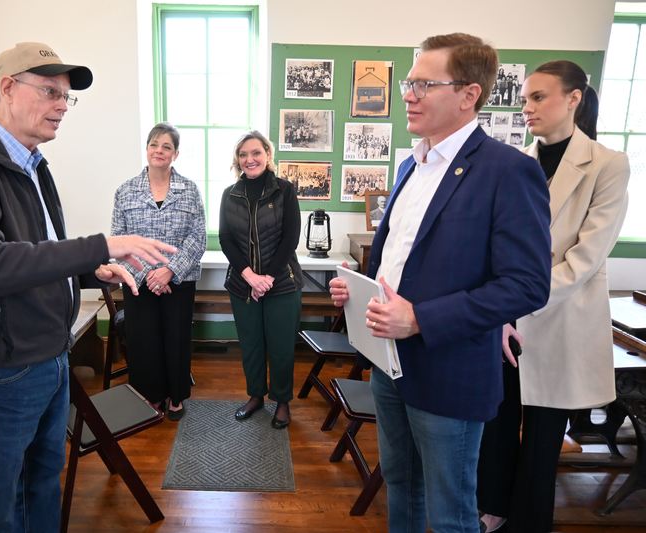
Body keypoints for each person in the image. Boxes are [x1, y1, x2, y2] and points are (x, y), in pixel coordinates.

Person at [0, 42, 176, 532]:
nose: (62, 105)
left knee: (40, 487)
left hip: (47, 361)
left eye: (66, 96)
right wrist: (101, 245)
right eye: (50, 91)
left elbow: (35, 253)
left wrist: (88, 271)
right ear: (8, 89)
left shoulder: (34, 164)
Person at [329, 33, 551, 532]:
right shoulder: (413, 163)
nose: (408, 93)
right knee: (403, 488)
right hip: (388, 364)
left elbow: (527, 285)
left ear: (469, 94)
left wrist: (420, 318)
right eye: (410, 82)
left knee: (451, 511)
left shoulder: (508, 171)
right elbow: (400, 258)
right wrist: (361, 287)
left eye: (424, 84)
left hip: (449, 370)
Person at [477, 61, 630, 533]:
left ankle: (528, 524)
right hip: (506, 320)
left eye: (538, 97)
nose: (527, 107)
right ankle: (491, 513)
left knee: (543, 440)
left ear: (573, 99)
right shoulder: (517, 162)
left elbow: (585, 259)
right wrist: (499, 306)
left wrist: (515, 302)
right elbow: (495, 242)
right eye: (524, 99)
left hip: (560, 317)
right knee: (496, 425)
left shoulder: (607, 164)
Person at [111, 122, 206, 421]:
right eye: (154, 144)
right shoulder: (125, 191)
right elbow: (117, 240)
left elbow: (198, 237)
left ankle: (175, 397)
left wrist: (169, 271)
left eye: (166, 146)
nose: (159, 151)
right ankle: (150, 397)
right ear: (147, 148)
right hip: (138, 281)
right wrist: (148, 275)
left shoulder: (189, 190)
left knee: (175, 340)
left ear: (175, 154)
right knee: (144, 342)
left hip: (178, 280)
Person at [219, 131, 303, 429]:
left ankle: (282, 402)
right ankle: (256, 395)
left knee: (281, 347)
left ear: (268, 155)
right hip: (243, 285)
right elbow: (226, 239)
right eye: (243, 154)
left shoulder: (285, 190)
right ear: (237, 160)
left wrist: (266, 278)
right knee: (251, 345)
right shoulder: (229, 194)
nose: (249, 159)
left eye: (255, 153)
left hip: (281, 284)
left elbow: (290, 238)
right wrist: (250, 277)